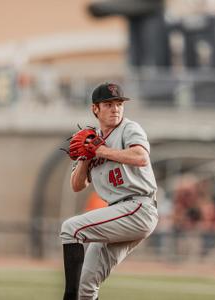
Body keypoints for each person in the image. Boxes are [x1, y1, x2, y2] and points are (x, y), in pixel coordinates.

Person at [60, 82, 159, 300]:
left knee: (71, 229)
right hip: (118, 212)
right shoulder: (91, 138)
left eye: (119, 104)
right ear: (95, 108)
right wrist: (85, 158)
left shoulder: (129, 128)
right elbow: (77, 185)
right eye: (108, 104)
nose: (115, 109)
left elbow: (141, 157)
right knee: (87, 284)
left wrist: (101, 150)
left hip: (139, 207)